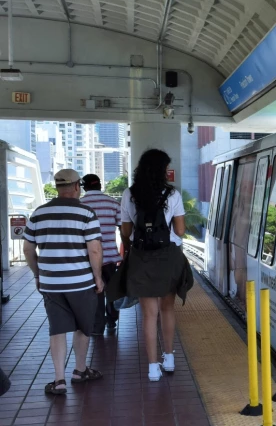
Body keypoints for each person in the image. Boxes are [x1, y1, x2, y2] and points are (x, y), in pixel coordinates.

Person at [23, 169, 105, 395]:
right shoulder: (86, 213)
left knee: (56, 330)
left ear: (58, 187)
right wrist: (98, 277)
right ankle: (80, 371)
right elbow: (95, 249)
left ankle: (59, 380)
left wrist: (38, 274)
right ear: (77, 186)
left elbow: (28, 249)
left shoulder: (39, 214)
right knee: (83, 327)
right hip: (81, 282)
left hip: (51, 284)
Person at [119, 149, 188, 382]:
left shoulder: (129, 194)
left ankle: (152, 368)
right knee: (167, 309)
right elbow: (179, 231)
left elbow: (126, 232)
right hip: (167, 256)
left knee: (149, 314)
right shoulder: (172, 194)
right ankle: (169, 358)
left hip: (141, 257)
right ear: (162, 170)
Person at [80, 174, 121, 335]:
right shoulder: (112, 203)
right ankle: (112, 320)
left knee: (94, 293)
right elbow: (122, 228)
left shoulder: (80, 205)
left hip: (87, 259)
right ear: (100, 185)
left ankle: (98, 326)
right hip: (110, 257)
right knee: (112, 291)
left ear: (84, 187)